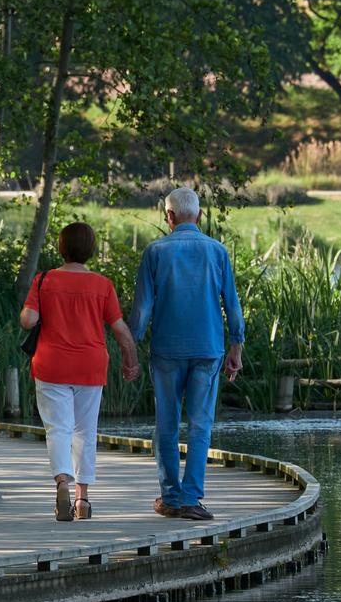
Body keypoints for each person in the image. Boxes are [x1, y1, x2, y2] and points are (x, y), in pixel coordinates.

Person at [128, 186, 245, 521]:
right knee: (200, 424)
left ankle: (170, 497)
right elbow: (232, 308)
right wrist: (236, 347)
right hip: (208, 348)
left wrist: (130, 347)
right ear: (200, 215)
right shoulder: (218, 251)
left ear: (169, 217)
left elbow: (142, 310)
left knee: (166, 425)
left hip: (166, 350)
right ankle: (192, 497)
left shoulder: (155, 252)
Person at [20, 221, 141, 522]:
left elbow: (27, 321)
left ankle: (62, 481)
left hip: (51, 365)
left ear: (61, 248)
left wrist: (30, 311)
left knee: (58, 429)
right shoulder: (102, 285)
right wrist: (131, 361)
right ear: (90, 250)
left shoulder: (43, 280)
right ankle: (83, 500)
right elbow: (121, 330)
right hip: (89, 366)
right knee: (84, 432)